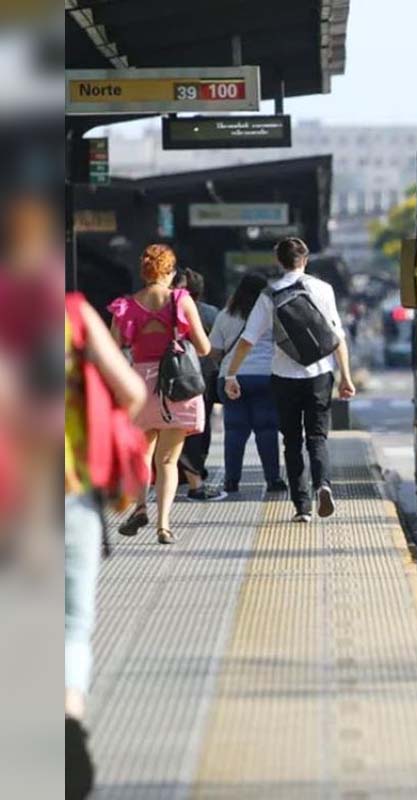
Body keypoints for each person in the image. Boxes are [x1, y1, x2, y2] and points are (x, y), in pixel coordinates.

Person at [65, 294, 147, 797]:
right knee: (71, 625)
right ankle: (66, 723)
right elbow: (133, 392)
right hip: (68, 491)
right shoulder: (70, 313)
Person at [224, 238, 356, 523]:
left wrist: (232, 373)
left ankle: (302, 507)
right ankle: (323, 484)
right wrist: (345, 376)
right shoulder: (323, 289)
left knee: (292, 441)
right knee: (318, 437)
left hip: (284, 376)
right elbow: (337, 338)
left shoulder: (269, 294)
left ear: (278, 261)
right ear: (305, 259)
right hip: (320, 374)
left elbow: (248, 339)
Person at [108, 243, 213, 544]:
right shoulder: (181, 300)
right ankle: (163, 525)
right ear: (168, 271)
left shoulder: (125, 306)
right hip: (175, 384)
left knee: (142, 455)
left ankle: (141, 506)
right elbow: (204, 348)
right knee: (167, 462)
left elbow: (114, 351)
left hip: (139, 385)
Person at [209, 273, 287, 495]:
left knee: (234, 430)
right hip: (265, 376)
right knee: (266, 429)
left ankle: (231, 481)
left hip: (232, 377)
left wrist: (226, 361)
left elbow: (214, 350)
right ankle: (273, 480)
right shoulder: (271, 314)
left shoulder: (226, 315)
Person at [175, 267, 224, 500]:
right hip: (203, 375)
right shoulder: (211, 313)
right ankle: (197, 468)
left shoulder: (171, 310)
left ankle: (186, 470)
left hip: (176, 373)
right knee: (199, 426)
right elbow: (215, 346)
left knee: (178, 425)